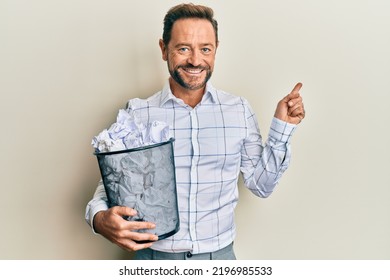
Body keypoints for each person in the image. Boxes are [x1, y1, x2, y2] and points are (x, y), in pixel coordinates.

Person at [85, 3, 305, 260]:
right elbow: (111, 186)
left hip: (219, 259)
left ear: (216, 50)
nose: (195, 60)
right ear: (164, 49)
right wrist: (99, 219)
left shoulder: (238, 110)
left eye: (205, 49)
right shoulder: (138, 114)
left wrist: (283, 128)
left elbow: (261, 186)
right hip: (154, 259)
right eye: (183, 48)